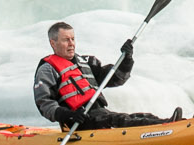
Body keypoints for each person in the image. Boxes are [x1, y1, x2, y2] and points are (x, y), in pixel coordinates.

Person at [34, 21, 174, 130]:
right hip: (77, 122)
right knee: (121, 120)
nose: (71, 44)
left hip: (100, 115)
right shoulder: (48, 70)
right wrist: (69, 115)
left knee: (141, 117)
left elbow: (117, 78)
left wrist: (127, 60)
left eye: (73, 39)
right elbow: (45, 104)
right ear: (53, 43)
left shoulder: (86, 62)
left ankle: (172, 123)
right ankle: (169, 127)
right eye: (66, 40)